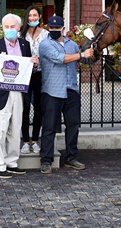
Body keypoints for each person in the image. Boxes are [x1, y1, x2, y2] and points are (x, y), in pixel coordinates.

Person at [0, 13, 39, 179]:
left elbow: (28, 71)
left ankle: (12, 162)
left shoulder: (25, 45)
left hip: (19, 93)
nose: (9, 30)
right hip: (0, 93)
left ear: (19, 28)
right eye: (6, 27)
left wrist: (34, 64)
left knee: (15, 129)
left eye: (12, 27)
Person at [38, 15, 94, 174]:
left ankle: (71, 158)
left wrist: (93, 50)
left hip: (71, 90)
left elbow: (85, 61)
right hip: (52, 91)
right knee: (49, 127)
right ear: (48, 28)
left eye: (58, 28)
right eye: (52, 28)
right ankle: (46, 160)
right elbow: (59, 59)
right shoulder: (45, 44)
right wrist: (82, 55)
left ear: (63, 28)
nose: (54, 30)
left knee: (73, 126)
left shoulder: (72, 44)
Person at [19, 6, 49, 155]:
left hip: (40, 75)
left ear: (40, 16)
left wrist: (40, 61)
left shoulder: (46, 34)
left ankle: (35, 141)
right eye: (30, 16)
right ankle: (25, 141)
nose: (32, 18)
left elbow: (50, 53)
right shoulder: (21, 35)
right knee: (24, 108)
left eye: (35, 15)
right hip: (24, 76)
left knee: (38, 108)